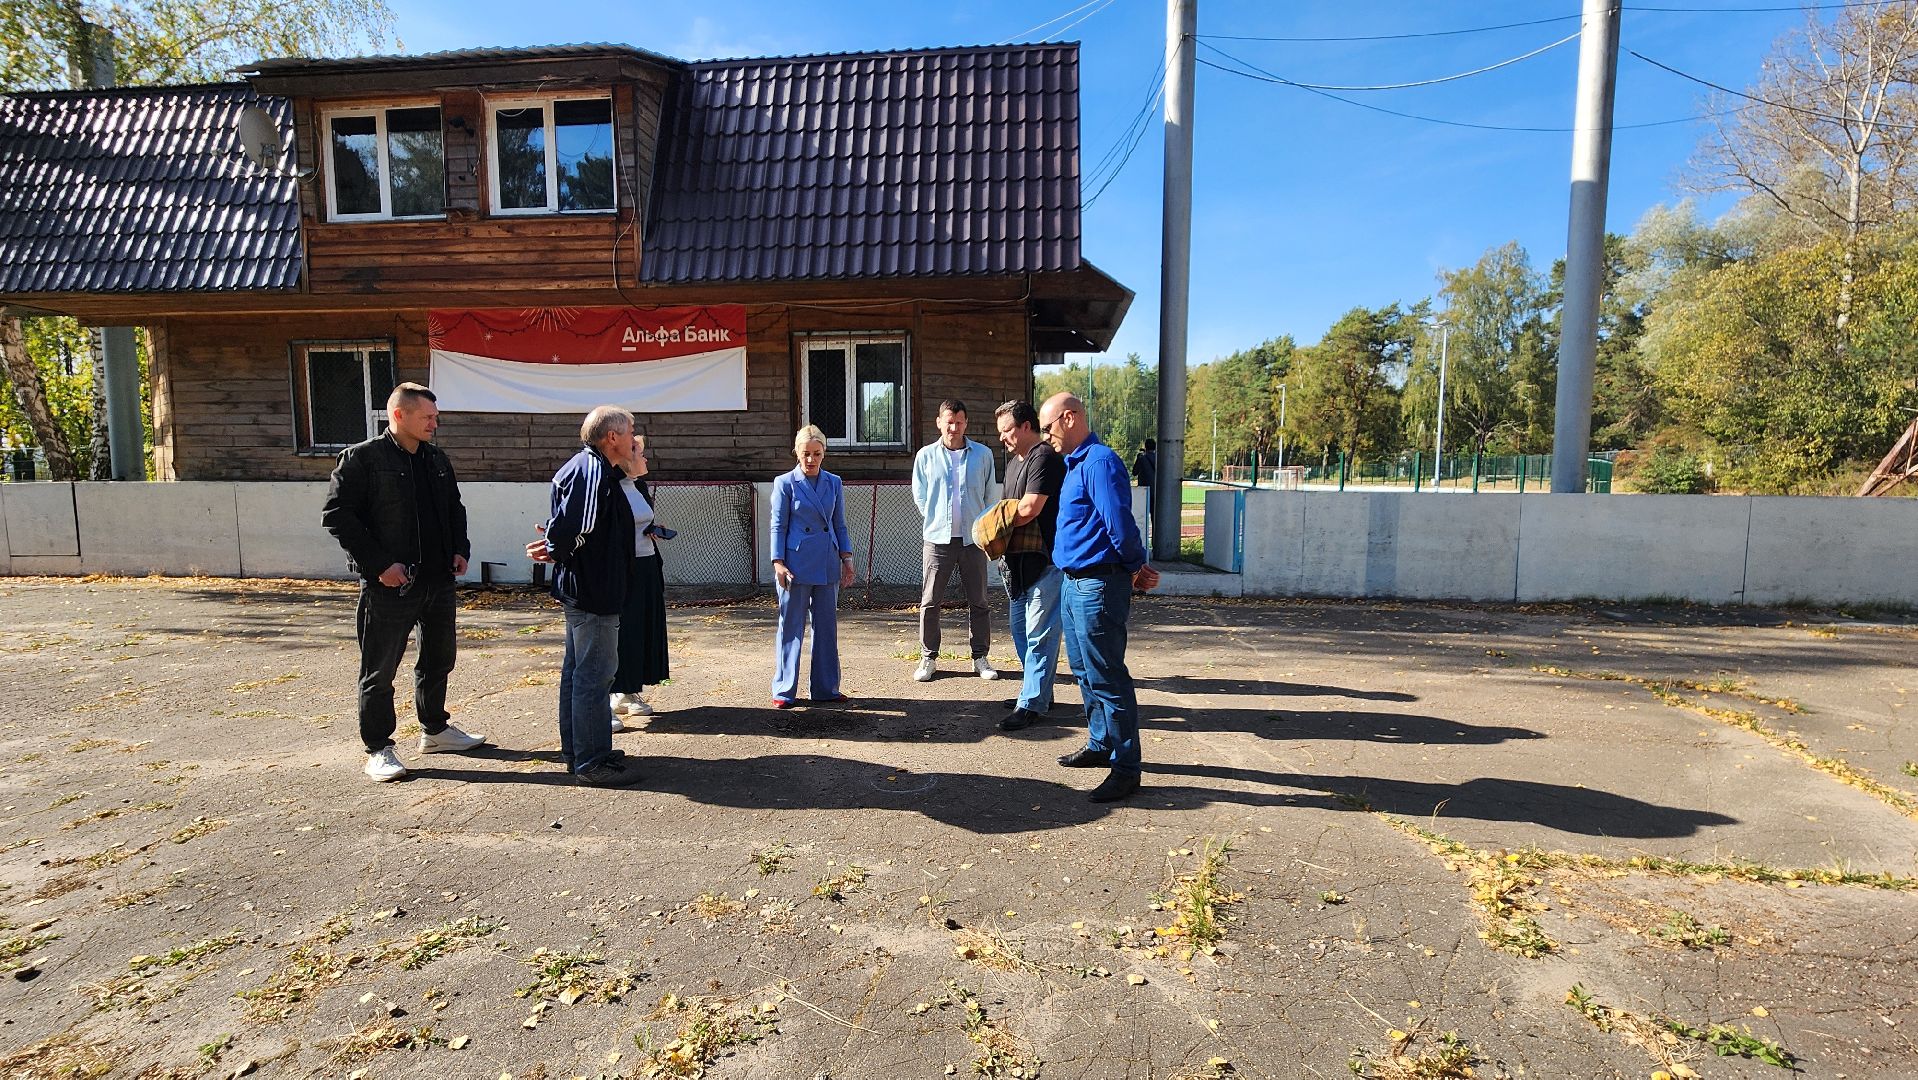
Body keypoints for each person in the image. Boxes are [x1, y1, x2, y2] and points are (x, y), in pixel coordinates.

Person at [321, 382, 486, 783]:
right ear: (399, 415)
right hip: (390, 585)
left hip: (438, 580)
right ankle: (378, 748)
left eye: (435, 417)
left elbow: (454, 508)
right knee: (379, 669)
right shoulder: (362, 458)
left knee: (439, 658)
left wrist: (459, 548)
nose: (434, 424)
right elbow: (338, 516)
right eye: (427, 417)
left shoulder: (436, 458)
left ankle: (436, 730)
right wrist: (379, 565)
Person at [1039, 392, 1160, 803]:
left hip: (1098, 585)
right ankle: (1100, 743)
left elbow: (1119, 524)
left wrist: (1135, 567)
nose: (1047, 436)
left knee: (1108, 677)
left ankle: (1126, 769)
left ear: (1070, 417)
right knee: (1084, 671)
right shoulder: (1075, 464)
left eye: (1049, 427)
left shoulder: (1099, 462)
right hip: (1074, 583)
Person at [526, 405, 641, 788]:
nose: (634, 440)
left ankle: (580, 752)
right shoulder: (592, 470)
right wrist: (556, 548)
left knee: (579, 673)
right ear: (612, 437)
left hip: (588, 588)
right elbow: (576, 528)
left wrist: (556, 545)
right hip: (593, 591)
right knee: (594, 675)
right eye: (630, 433)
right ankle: (591, 761)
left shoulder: (590, 468)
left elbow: (568, 528)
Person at [909, 399, 999, 682]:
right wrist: (936, 518)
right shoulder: (925, 456)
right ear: (939, 422)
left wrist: (984, 529)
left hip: (974, 541)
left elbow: (990, 496)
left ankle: (980, 657)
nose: (954, 428)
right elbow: (920, 495)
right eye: (949, 422)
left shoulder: (983, 455)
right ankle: (928, 657)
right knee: (930, 601)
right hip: (937, 540)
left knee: (979, 600)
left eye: (959, 422)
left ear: (966, 423)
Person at [991, 400, 1066, 733]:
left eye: (1007, 430)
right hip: (1017, 565)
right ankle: (1038, 693)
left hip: (1046, 562)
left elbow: (1030, 508)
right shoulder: (1013, 464)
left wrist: (991, 523)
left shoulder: (1044, 457)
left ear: (1025, 426)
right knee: (1022, 632)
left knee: (1039, 636)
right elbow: (1012, 508)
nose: (1002, 438)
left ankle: (1032, 702)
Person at [769, 426, 855, 707]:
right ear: (797, 452)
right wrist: (778, 562)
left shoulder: (834, 482)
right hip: (794, 565)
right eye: (806, 453)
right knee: (791, 627)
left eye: (817, 454)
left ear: (824, 453)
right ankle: (784, 690)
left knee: (827, 628)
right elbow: (778, 525)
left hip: (828, 562)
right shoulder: (785, 483)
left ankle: (826, 688)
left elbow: (839, 524)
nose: (811, 459)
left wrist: (847, 558)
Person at [609, 434, 670, 732]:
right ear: (626, 458)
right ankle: (607, 696)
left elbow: (639, 520)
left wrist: (653, 529)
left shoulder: (639, 486)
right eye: (640, 453)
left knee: (641, 629)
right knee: (621, 630)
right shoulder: (609, 487)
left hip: (647, 563)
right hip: (623, 569)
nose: (645, 458)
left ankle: (628, 691)